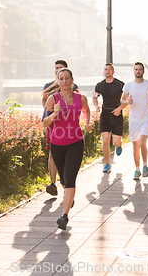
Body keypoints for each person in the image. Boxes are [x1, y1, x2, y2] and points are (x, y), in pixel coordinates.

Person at [42, 68, 92, 230]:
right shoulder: (52, 99)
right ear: (58, 81)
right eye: (61, 79)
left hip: (76, 142)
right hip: (57, 144)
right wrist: (53, 114)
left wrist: (87, 122)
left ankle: (64, 216)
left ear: (72, 80)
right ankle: (68, 197)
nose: (64, 81)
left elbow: (87, 110)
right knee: (63, 180)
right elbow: (44, 123)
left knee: (70, 179)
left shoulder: (81, 98)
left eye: (67, 78)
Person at [41, 60, 79, 196]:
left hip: (69, 127)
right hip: (53, 123)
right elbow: (45, 106)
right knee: (52, 153)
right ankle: (53, 183)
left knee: (66, 157)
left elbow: (78, 104)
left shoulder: (73, 87)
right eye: (56, 68)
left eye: (61, 68)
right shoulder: (48, 87)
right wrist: (50, 115)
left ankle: (66, 186)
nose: (58, 70)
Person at [121, 62, 148, 180]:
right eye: (136, 69)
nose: (138, 71)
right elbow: (122, 101)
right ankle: (137, 170)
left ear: (143, 71)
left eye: (140, 69)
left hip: (146, 118)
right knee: (135, 146)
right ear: (133, 71)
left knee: (142, 143)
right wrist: (128, 102)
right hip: (134, 120)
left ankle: (145, 166)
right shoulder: (128, 86)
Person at [93, 63, 125, 173]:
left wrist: (120, 108)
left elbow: (126, 100)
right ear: (103, 71)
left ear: (113, 72)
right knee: (105, 141)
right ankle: (107, 164)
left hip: (117, 115)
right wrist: (96, 105)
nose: (107, 71)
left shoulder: (120, 85)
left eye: (110, 69)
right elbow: (94, 97)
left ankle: (118, 145)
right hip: (105, 116)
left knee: (116, 142)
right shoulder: (100, 85)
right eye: (105, 69)